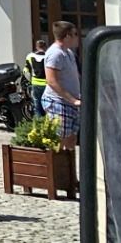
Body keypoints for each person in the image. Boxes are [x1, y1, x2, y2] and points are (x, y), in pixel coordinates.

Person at [40, 21, 84, 150]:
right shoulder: (55, 53)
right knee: (58, 141)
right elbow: (51, 81)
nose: (77, 37)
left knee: (71, 139)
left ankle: (68, 168)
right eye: (75, 34)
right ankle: (57, 169)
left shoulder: (68, 53)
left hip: (70, 103)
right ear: (67, 36)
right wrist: (73, 100)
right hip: (58, 102)